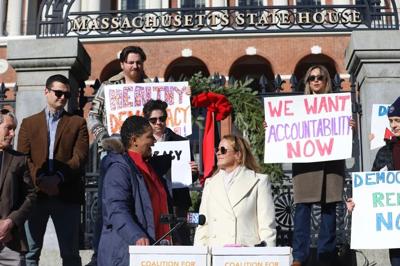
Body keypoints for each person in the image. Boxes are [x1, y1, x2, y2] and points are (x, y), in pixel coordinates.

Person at [87, 45, 150, 266]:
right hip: (114, 154)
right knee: (111, 206)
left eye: (138, 62)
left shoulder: (151, 87)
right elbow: (93, 116)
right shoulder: (107, 87)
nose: (135, 66)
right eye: (130, 62)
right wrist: (104, 138)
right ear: (122, 64)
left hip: (143, 155)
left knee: (143, 201)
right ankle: (100, 254)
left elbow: (166, 113)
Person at [17, 74, 89, 266]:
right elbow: (24, 158)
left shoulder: (77, 123)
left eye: (66, 94)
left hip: (66, 194)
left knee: (70, 254)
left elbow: (80, 157)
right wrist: (40, 179)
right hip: (36, 196)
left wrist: (58, 178)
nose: (63, 97)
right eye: (58, 93)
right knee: (30, 253)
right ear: (46, 92)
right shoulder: (28, 123)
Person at [291, 65, 354, 266]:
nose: (316, 81)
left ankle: (326, 254)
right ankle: (299, 256)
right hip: (305, 163)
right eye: (311, 78)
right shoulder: (297, 105)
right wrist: (272, 125)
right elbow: (286, 130)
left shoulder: (337, 105)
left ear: (327, 80)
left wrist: (350, 127)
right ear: (307, 82)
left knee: (329, 208)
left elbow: (345, 136)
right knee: (302, 208)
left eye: (320, 77)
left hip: (331, 162)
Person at [97, 116, 170, 266]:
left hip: (153, 252)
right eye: (149, 137)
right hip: (126, 253)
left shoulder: (148, 168)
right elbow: (116, 208)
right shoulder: (118, 169)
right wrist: (136, 235)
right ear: (134, 140)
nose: (154, 141)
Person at [194, 134, 276, 247]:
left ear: (238, 155)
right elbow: (203, 226)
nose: (218, 153)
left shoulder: (259, 182)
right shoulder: (210, 184)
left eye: (223, 150)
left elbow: (267, 226)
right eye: (217, 150)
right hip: (215, 254)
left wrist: (267, 257)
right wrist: (199, 256)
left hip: (245, 255)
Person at [347, 96, 400, 266]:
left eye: (397, 120)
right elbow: (372, 187)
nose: (393, 125)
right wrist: (356, 202)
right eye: (391, 121)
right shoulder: (384, 152)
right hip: (395, 231)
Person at [143, 99, 198, 245]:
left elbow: (190, 178)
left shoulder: (180, 142)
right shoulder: (143, 144)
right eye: (153, 120)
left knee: (180, 239)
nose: (158, 123)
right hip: (152, 199)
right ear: (147, 121)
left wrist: (193, 172)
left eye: (162, 118)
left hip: (177, 201)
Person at [0, 109, 37, 266]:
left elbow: (30, 195)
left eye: (14, 129)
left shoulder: (19, 159)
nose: (13, 134)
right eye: (8, 128)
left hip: (10, 242)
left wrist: (11, 222)